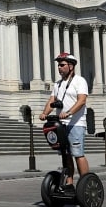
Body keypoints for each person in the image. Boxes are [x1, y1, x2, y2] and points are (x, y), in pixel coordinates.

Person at [39, 52, 90, 189]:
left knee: (77, 154)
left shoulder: (80, 81)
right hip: (61, 125)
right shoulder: (58, 84)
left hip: (76, 124)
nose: (59, 68)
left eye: (62, 65)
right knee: (66, 155)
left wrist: (68, 113)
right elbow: (52, 101)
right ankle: (69, 183)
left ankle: (85, 183)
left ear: (71, 66)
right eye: (58, 65)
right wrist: (44, 113)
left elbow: (82, 101)